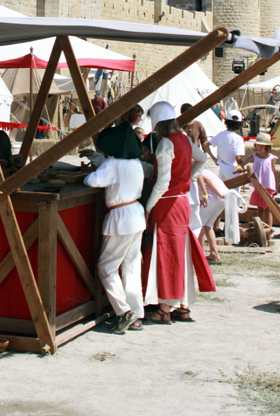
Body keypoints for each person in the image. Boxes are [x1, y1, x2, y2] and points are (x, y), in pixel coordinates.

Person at [142, 101, 215, 325]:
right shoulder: (184, 138)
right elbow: (202, 159)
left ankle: (164, 309)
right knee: (180, 252)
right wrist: (187, 179)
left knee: (167, 254)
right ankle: (182, 305)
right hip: (181, 202)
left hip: (167, 205)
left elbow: (163, 183)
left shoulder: (165, 144)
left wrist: (148, 206)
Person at [83, 121, 146, 334]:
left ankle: (124, 312)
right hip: (135, 214)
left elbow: (93, 181)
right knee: (131, 266)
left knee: (106, 267)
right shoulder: (135, 163)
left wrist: (90, 171)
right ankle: (136, 313)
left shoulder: (113, 165)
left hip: (122, 217)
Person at [245, 132, 277, 227]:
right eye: (258, 145)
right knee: (260, 208)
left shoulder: (271, 158)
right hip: (258, 185)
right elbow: (242, 164)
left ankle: (269, 228)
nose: (259, 148)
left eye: (262, 146)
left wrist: (277, 185)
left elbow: (274, 172)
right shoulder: (253, 157)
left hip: (269, 185)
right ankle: (260, 227)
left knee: (268, 208)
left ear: (267, 147)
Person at [197, 169, 229, 264]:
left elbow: (207, 180)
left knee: (200, 225)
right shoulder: (203, 169)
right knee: (208, 225)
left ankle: (200, 255)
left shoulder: (197, 170)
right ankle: (214, 253)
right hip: (223, 197)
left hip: (215, 197)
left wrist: (216, 194)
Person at [209, 110, 245, 182]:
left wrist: (214, 159)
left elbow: (206, 144)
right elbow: (238, 157)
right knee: (234, 193)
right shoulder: (238, 139)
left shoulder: (220, 135)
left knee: (223, 192)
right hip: (234, 171)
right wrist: (242, 166)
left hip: (222, 170)